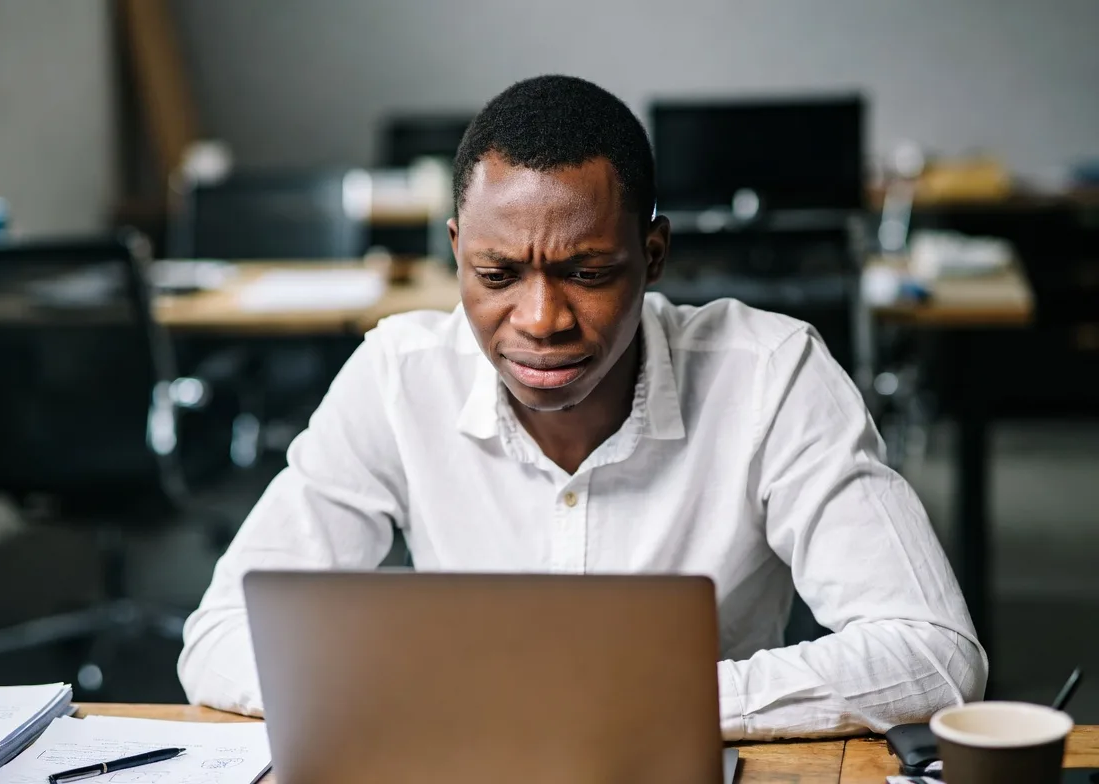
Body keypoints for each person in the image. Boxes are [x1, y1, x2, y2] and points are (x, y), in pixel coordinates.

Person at [179, 75, 986, 739]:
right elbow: (218, 640)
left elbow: (935, 654)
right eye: (497, 276)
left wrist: (638, 710)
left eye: (590, 273)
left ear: (654, 255)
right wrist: (425, 698)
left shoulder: (771, 373)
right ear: (457, 252)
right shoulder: (399, 375)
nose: (540, 321)